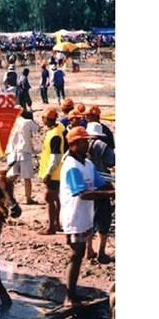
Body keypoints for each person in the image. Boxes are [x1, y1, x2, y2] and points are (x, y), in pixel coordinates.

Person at [59, 126, 115, 307]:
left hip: (85, 216)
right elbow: (82, 193)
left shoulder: (88, 164)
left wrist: (111, 189)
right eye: (84, 141)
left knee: (80, 253)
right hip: (73, 216)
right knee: (76, 254)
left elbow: (100, 184)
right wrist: (110, 194)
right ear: (74, 144)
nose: (87, 144)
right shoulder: (71, 166)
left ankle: (73, 293)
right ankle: (69, 296)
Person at [84, 122, 116, 264]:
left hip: (87, 187)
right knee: (103, 220)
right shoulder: (101, 146)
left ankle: (89, 249)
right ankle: (101, 252)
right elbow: (111, 162)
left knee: (89, 219)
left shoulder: (82, 146)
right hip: (102, 186)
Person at [38, 107, 65, 235]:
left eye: (43, 118)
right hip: (57, 171)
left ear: (47, 120)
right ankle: (57, 224)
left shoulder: (55, 135)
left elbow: (56, 156)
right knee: (55, 198)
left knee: (49, 198)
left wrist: (48, 173)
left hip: (54, 173)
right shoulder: (58, 129)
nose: (42, 120)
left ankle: (51, 227)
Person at [6, 110, 41, 204]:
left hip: (12, 152)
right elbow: (38, 128)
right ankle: (28, 198)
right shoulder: (27, 122)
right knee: (27, 177)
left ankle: (11, 198)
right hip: (24, 151)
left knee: (10, 179)